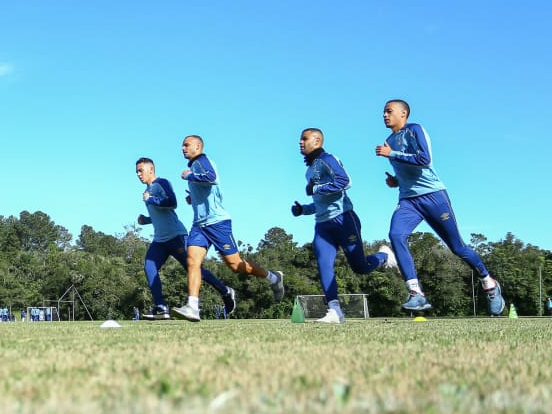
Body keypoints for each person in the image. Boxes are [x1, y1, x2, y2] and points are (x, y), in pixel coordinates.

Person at [376, 99, 505, 314]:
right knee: (396, 235)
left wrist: (392, 154)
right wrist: (396, 181)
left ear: (403, 113)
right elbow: (408, 171)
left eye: (389, 111)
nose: (384, 115)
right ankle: (416, 293)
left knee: (457, 248)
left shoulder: (414, 129)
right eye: (383, 112)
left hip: (434, 196)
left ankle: (488, 282)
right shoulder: (389, 140)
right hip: (408, 200)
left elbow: (424, 160)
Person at [172, 135, 284, 322]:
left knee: (235, 265)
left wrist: (188, 176)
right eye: (182, 145)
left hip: (217, 223)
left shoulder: (201, 161)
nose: (182, 148)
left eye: (186, 144)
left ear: (198, 146)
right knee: (192, 262)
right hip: (199, 225)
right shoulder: (195, 165)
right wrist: (193, 198)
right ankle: (192, 306)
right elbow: (207, 189)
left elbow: (211, 177)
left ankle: (273, 277)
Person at [292, 128, 397, 324]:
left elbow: (345, 181)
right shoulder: (309, 170)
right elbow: (320, 202)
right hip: (322, 225)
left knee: (360, 267)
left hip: (344, 219)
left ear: (317, 141)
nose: (300, 142)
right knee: (324, 265)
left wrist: (316, 187)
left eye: (304, 139)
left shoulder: (327, 159)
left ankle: (384, 256)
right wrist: (303, 210)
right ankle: (335, 311)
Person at [135, 157, 237, 320]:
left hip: (176, 236)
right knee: (149, 267)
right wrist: (146, 220)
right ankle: (161, 307)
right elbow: (159, 215)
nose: (138, 174)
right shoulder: (147, 192)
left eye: (141, 170)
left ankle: (225, 291)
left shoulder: (161, 183)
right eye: (137, 172)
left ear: (151, 170)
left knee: (195, 269)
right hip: (160, 240)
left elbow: (172, 203)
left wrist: (150, 199)